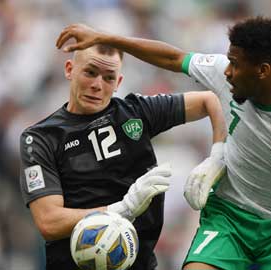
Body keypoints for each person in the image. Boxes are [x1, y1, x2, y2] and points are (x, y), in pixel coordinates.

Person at [56, 16, 271, 270]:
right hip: (230, 216)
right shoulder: (229, 76)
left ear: (263, 70)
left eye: (234, 64)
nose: (226, 71)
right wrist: (104, 37)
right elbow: (173, 58)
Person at [19, 43, 227, 270]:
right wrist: (122, 209)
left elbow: (212, 100)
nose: (97, 85)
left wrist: (217, 156)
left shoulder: (135, 112)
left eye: (108, 78)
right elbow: (49, 222)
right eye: (90, 72)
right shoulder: (40, 138)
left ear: (118, 83)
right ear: (69, 69)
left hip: (140, 263)